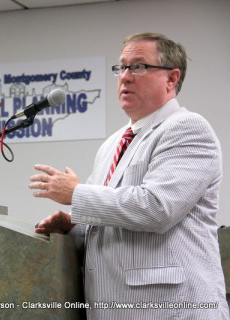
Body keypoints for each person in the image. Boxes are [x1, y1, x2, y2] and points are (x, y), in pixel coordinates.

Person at [29, 32, 229, 319]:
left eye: (138, 66)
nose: (125, 76)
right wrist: (73, 223)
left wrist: (77, 193)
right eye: (121, 67)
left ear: (172, 78)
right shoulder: (112, 144)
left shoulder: (187, 128)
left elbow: (156, 208)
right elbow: (111, 220)